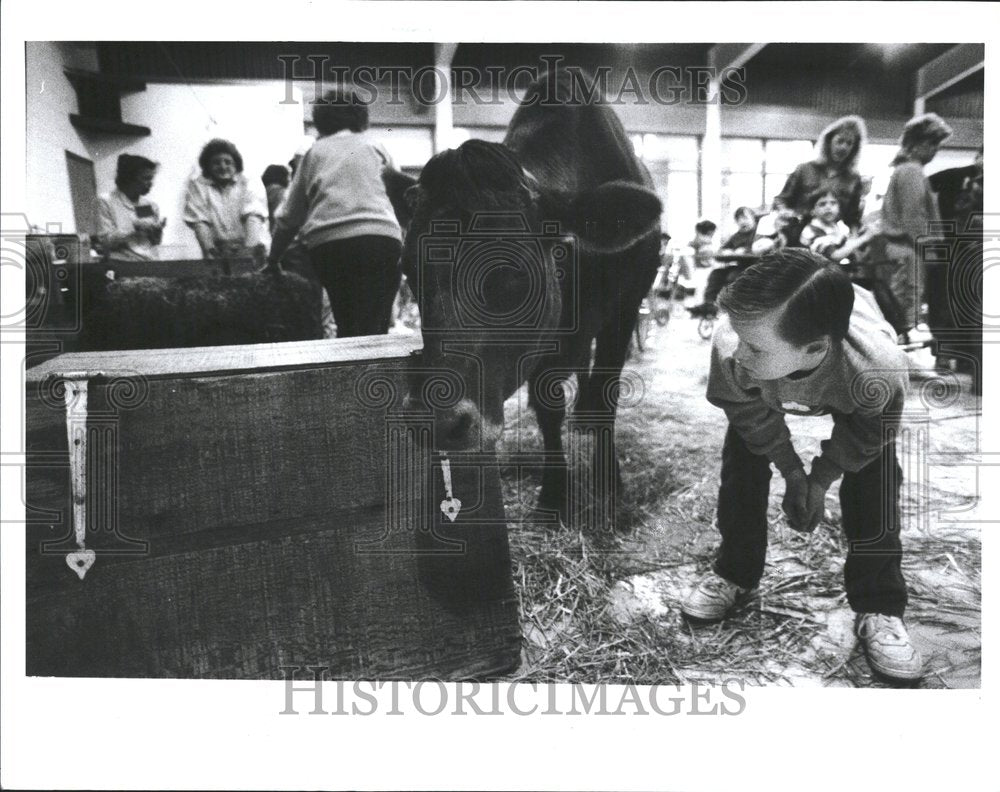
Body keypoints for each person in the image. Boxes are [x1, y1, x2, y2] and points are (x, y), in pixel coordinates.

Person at [681, 250, 922, 682]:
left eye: (754, 346)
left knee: (877, 475)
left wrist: (823, 477)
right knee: (742, 459)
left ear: (814, 346)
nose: (739, 354)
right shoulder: (734, 345)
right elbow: (751, 417)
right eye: (739, 336)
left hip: (851, 390)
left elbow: (869, 434)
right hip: (771, 387)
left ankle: (880, 604)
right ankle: (733, 570)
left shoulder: (876, 370)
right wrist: (792, 472)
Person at [267, 86, 403, 338]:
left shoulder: (314, 153)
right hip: (381, 239)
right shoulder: (377, 146)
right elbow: (399, 196)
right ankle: (377, 367)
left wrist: (273, 259)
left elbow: (289, 217)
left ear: (320, 121)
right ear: (362, 117)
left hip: (331, 244)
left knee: (347, 319)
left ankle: (350, 365)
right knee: (377, 321)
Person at [876, 113, 953, 342]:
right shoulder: (911, 171)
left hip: (904, 247)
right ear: (917, 144)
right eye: (932, 144)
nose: (935, 151)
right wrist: (930, 248)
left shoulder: (905, 169)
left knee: (905, 301)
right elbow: (914, 218)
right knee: (907, 303)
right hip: (908, 248)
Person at [927, 146, 983, 393]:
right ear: (978, 157)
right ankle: (947, 355)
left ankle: (969, 362)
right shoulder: (953, 176)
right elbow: (925, 190)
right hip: (951, 250)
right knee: (947, 305)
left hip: (978, 251)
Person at [776, 115, 867, 236]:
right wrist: (784, 212)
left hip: (832, 239)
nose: (844, 147)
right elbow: (781, 200)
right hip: (797, 235)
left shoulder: (854, 179)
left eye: (849, 143)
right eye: (840, 141)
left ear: (854, 148)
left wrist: (854, 238)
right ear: (829, 141)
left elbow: (853, 217)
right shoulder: (804, 169)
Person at [183, 138, 269, 259]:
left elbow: (253, 216)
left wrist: (248, 251)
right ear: (208, 166)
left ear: (236, 164)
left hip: (253, 247)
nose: (223, 167)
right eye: (216, 163)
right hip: (219, 251)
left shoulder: (249, 181)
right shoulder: (198, 185)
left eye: (228, 162)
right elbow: (199, 221)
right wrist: (209, 250)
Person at [95, 154, 165, 261]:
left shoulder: (149, 206)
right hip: (122, 268)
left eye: (151, 179)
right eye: (146, 178)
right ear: (129, 178)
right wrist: (134, 229)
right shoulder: (106, 201)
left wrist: (157, 231)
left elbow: (155, 242)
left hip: (150, 266)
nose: (151, 183)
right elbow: (105, 242)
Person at [261, 164, 291, 234]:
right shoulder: (281, 192)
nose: (289, 179)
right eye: (288, 176)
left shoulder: (262, 191)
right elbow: (280, 217)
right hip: (275, 234)